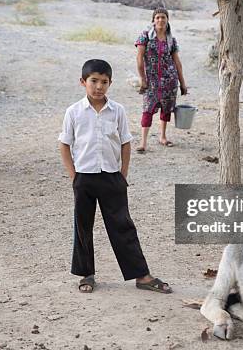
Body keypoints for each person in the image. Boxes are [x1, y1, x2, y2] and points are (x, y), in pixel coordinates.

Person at [59, 59, 172, 294]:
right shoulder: (74, 112)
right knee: (83, 227)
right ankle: (86, 274)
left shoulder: (117, 111)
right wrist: (74, 177)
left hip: (112, 178)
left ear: (110, 84)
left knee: (123, 226)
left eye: (104, 82)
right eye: (94, 81)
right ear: (83, 82)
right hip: (84, 178)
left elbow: (125, 143)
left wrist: (122, 175)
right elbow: (65, 145)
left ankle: (142, 275)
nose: (99, 86)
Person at [134, 8, 188, 153]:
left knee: (166, 109)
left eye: (163, 17)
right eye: (157, 17)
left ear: (167, 20)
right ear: (153, 20)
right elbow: (139, 59)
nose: (160, 20)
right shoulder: (145, 36)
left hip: (169, 80)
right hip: (151, 81)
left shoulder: (172, 40)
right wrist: (142, 79)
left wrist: (182, 83)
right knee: (147, 110)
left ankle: (163, 137)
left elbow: (177, 62)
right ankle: (143, 142)